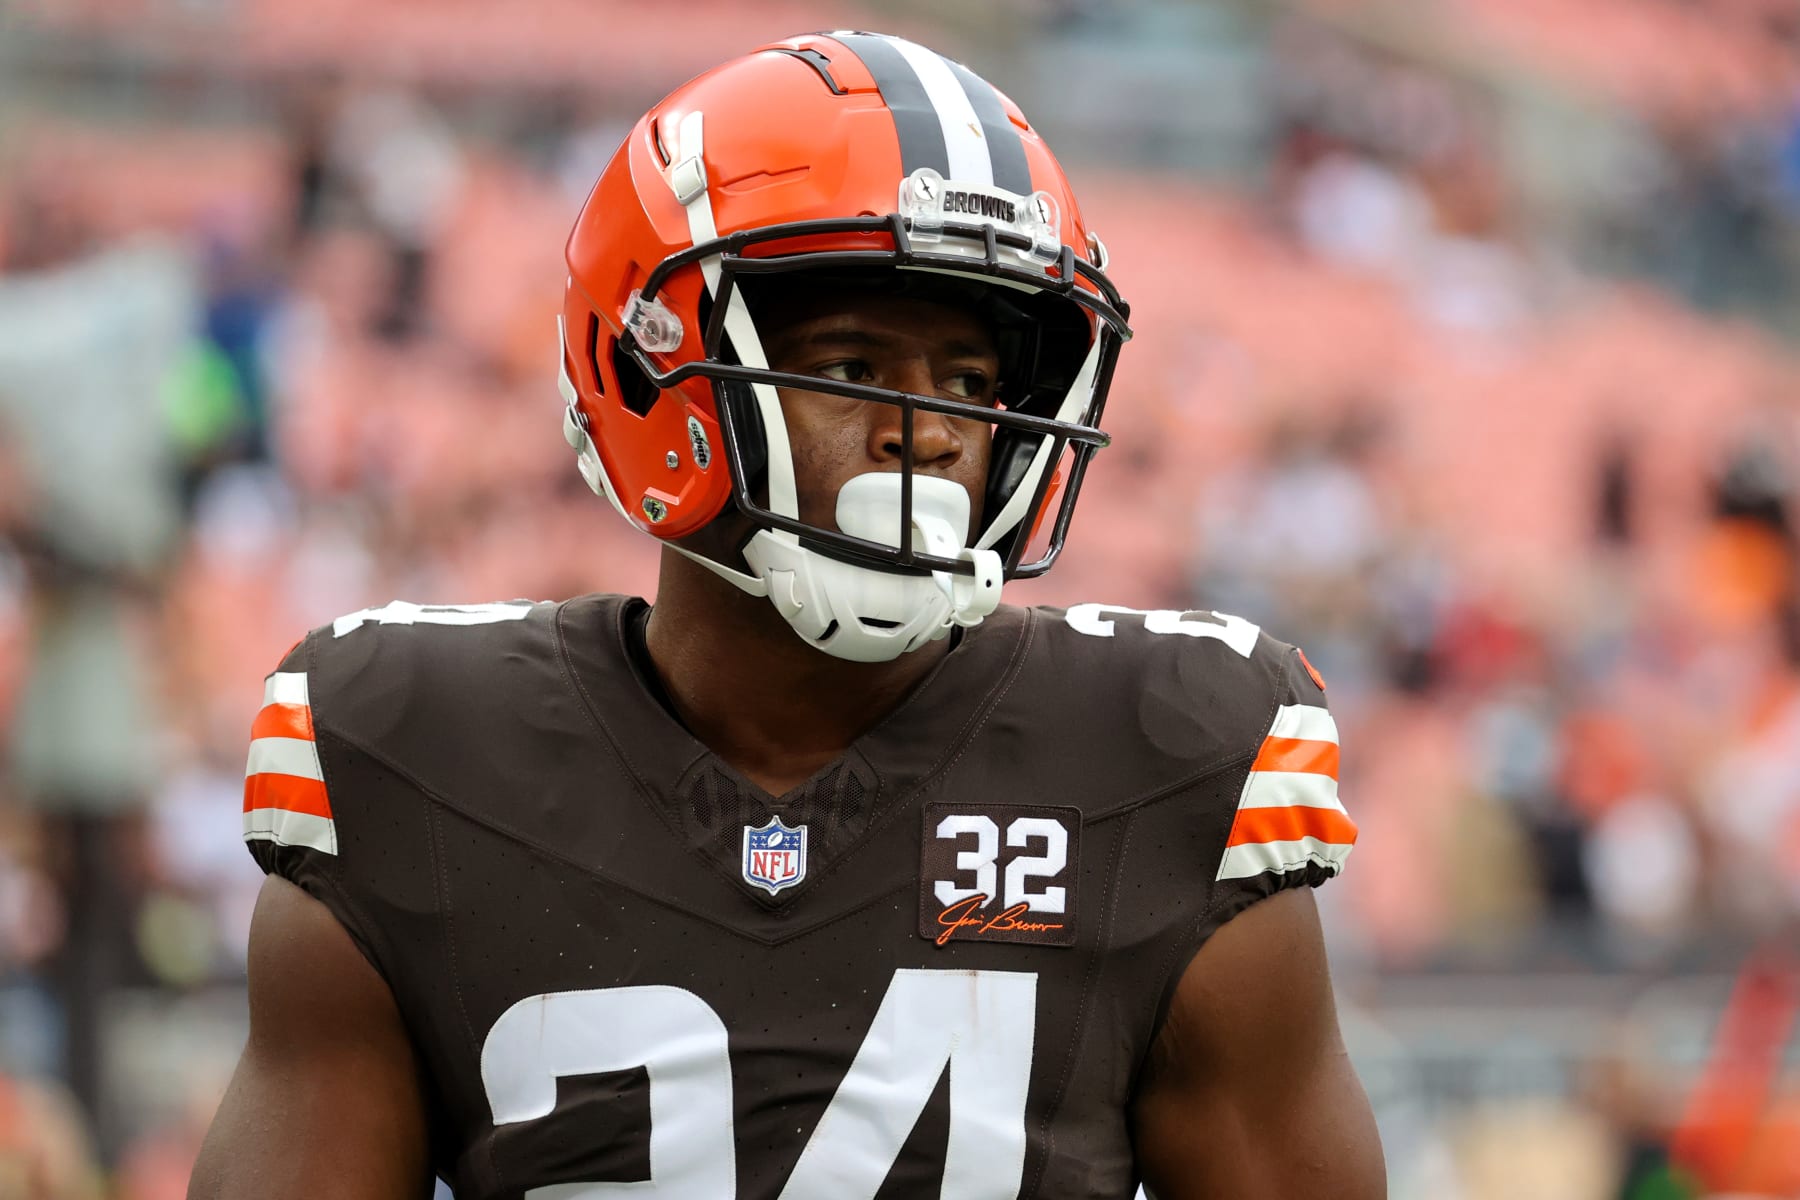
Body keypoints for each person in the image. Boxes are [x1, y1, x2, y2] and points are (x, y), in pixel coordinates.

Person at [188, 31, 1385, 1200]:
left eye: (968, 381)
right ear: (652, 373)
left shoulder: (1170, 756)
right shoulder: (413, 752)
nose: (927, 428)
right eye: (855, 368)